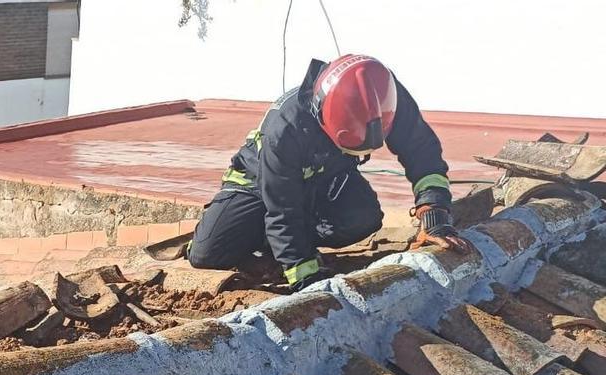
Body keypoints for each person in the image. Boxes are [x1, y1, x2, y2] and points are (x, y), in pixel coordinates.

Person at [185, 54, 471, 291]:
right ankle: (268, 239)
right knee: (208, 253)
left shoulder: (384, 94)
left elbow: (422, 150)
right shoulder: (285, 128)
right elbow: (282, 208)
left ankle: (281, 245)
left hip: (326, 176)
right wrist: (307, 278)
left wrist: (434, 213)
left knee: (363, 219)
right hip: (259, 184)